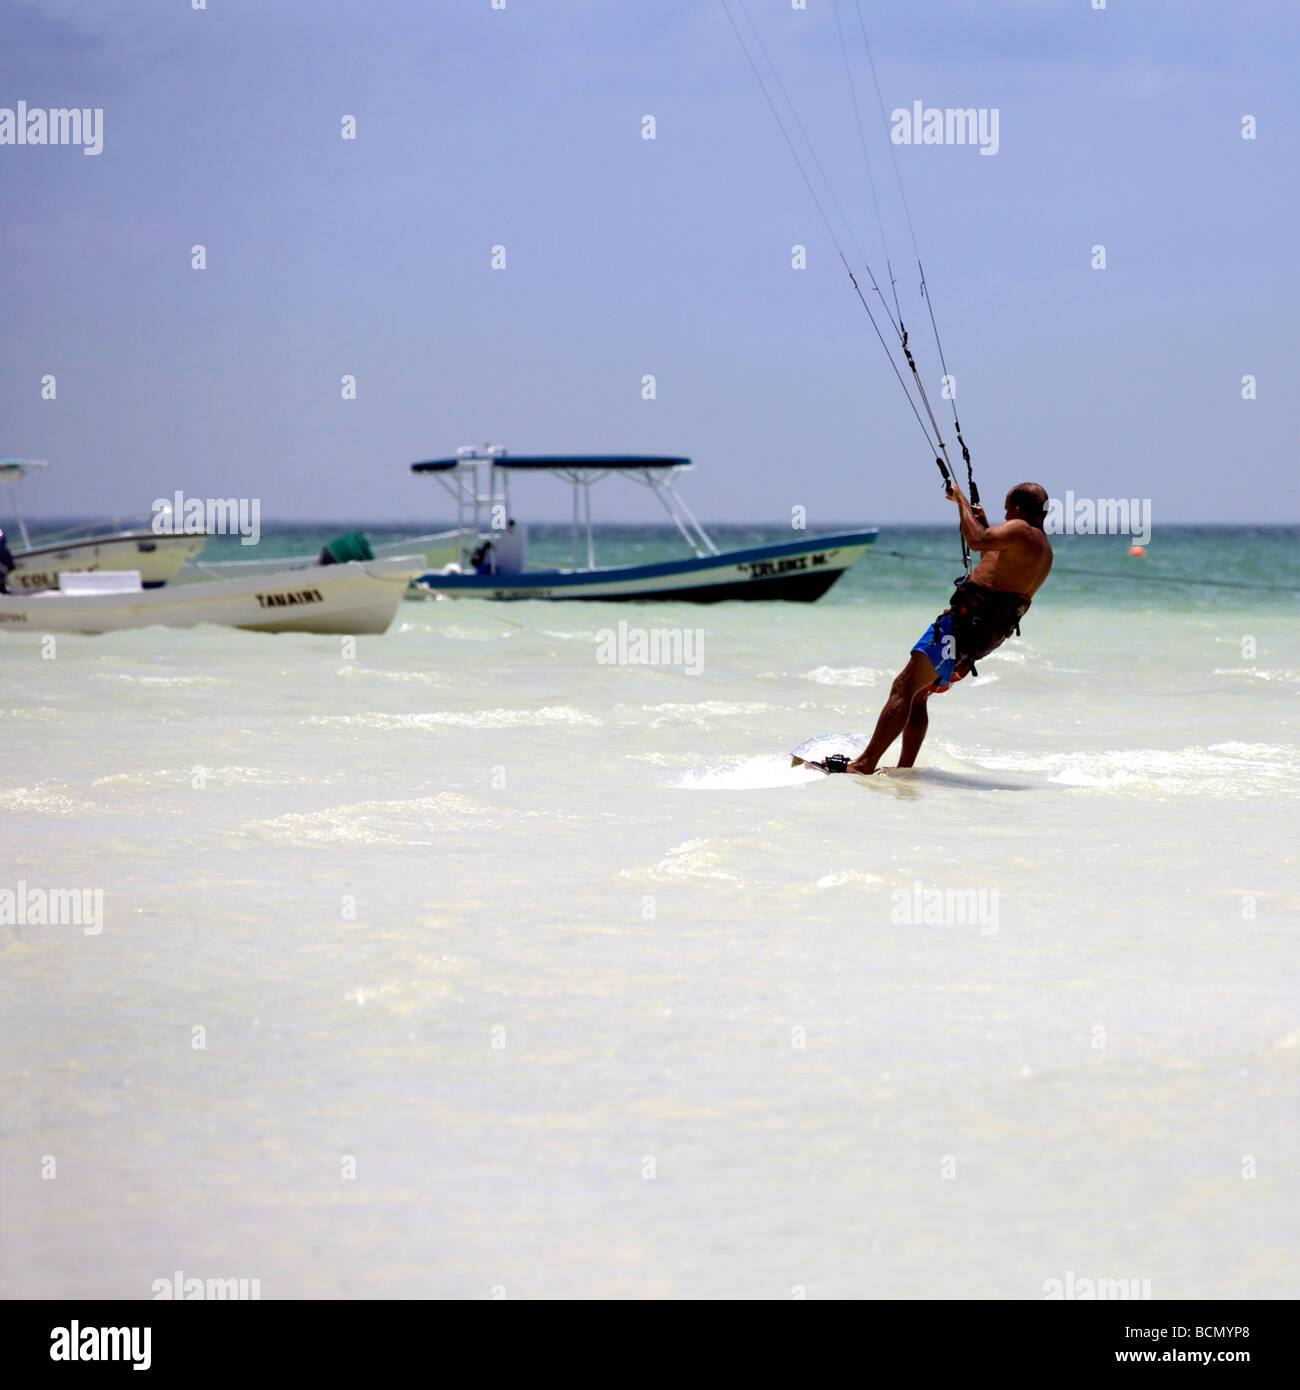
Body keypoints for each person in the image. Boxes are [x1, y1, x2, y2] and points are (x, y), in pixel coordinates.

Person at [818, 480, 1053, 775]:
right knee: (918, 694)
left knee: (903, 687)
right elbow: (993, 563)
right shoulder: (1042, 548)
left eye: (1007, 511)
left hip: (964, 624)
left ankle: (864, 764)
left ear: (1019, 509)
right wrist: (975, 520)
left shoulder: (1022, 531)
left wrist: (961, 503)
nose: (1005, 517)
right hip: (984, 635)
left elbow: (978, 540)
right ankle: (903, 770)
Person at [0, 525, 15, 593]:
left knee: (9, 569)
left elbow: (3, 538)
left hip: (4, 556)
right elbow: (3, 538)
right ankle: (3, 588)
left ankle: (4, 588)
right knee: (3, 573)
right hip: (3, 557)